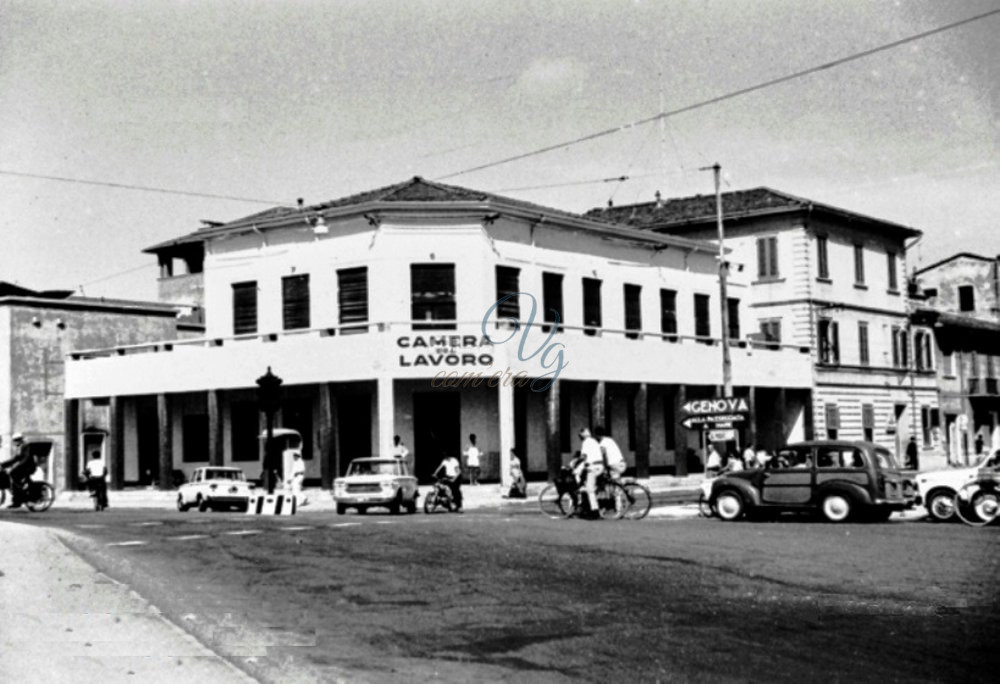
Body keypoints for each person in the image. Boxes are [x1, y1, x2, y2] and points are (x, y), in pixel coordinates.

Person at [576, 428, 604, 518]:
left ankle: (595, 511)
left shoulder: (586, 442)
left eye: (580, 435)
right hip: (600, 466)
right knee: (589, 484)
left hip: (593, 467)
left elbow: (583, 456)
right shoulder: (594, 441)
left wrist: (574, 462)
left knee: (590, 489)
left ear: (583, 435)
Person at [1, 433, 35, 508]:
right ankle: (17, 501)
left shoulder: (26, 446)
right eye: (14, 441)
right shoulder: (19, 447)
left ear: (20, 440)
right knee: (14, 480)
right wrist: (3, 464)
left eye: (16, 440)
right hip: (23, 467)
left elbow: (26, 459)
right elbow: (15, 459)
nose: (15, 442)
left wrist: (16, 467)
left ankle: (25, 499)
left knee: (14, 478)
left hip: (28, 467)